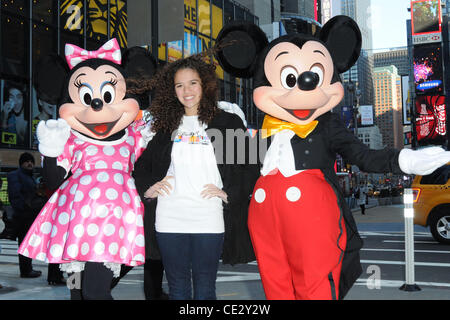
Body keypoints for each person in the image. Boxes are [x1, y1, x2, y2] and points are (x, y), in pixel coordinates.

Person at [132, 54, 257, 300]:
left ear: (205, 85)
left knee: (204, 288)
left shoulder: (227, 122)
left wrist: (228, 192)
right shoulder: (168, 125)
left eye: (192, 83)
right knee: (178, 288)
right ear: (172, 90)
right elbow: (142, 166)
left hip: (208, 216)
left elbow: (252, 166)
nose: (186, 90)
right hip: (169, 217)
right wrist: (149, 188)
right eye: (179, 85)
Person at [7, 152, 41, 278]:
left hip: (31, 216)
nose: (30, 163)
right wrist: (24, 209)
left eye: (31, 161)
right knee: (24, 243)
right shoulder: (15, 175)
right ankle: (26, 270)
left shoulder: (31, 177)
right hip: (23, 216)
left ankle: (28, 268)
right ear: (21, 163)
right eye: (26, 161)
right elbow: (15, 196)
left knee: (28, 243)